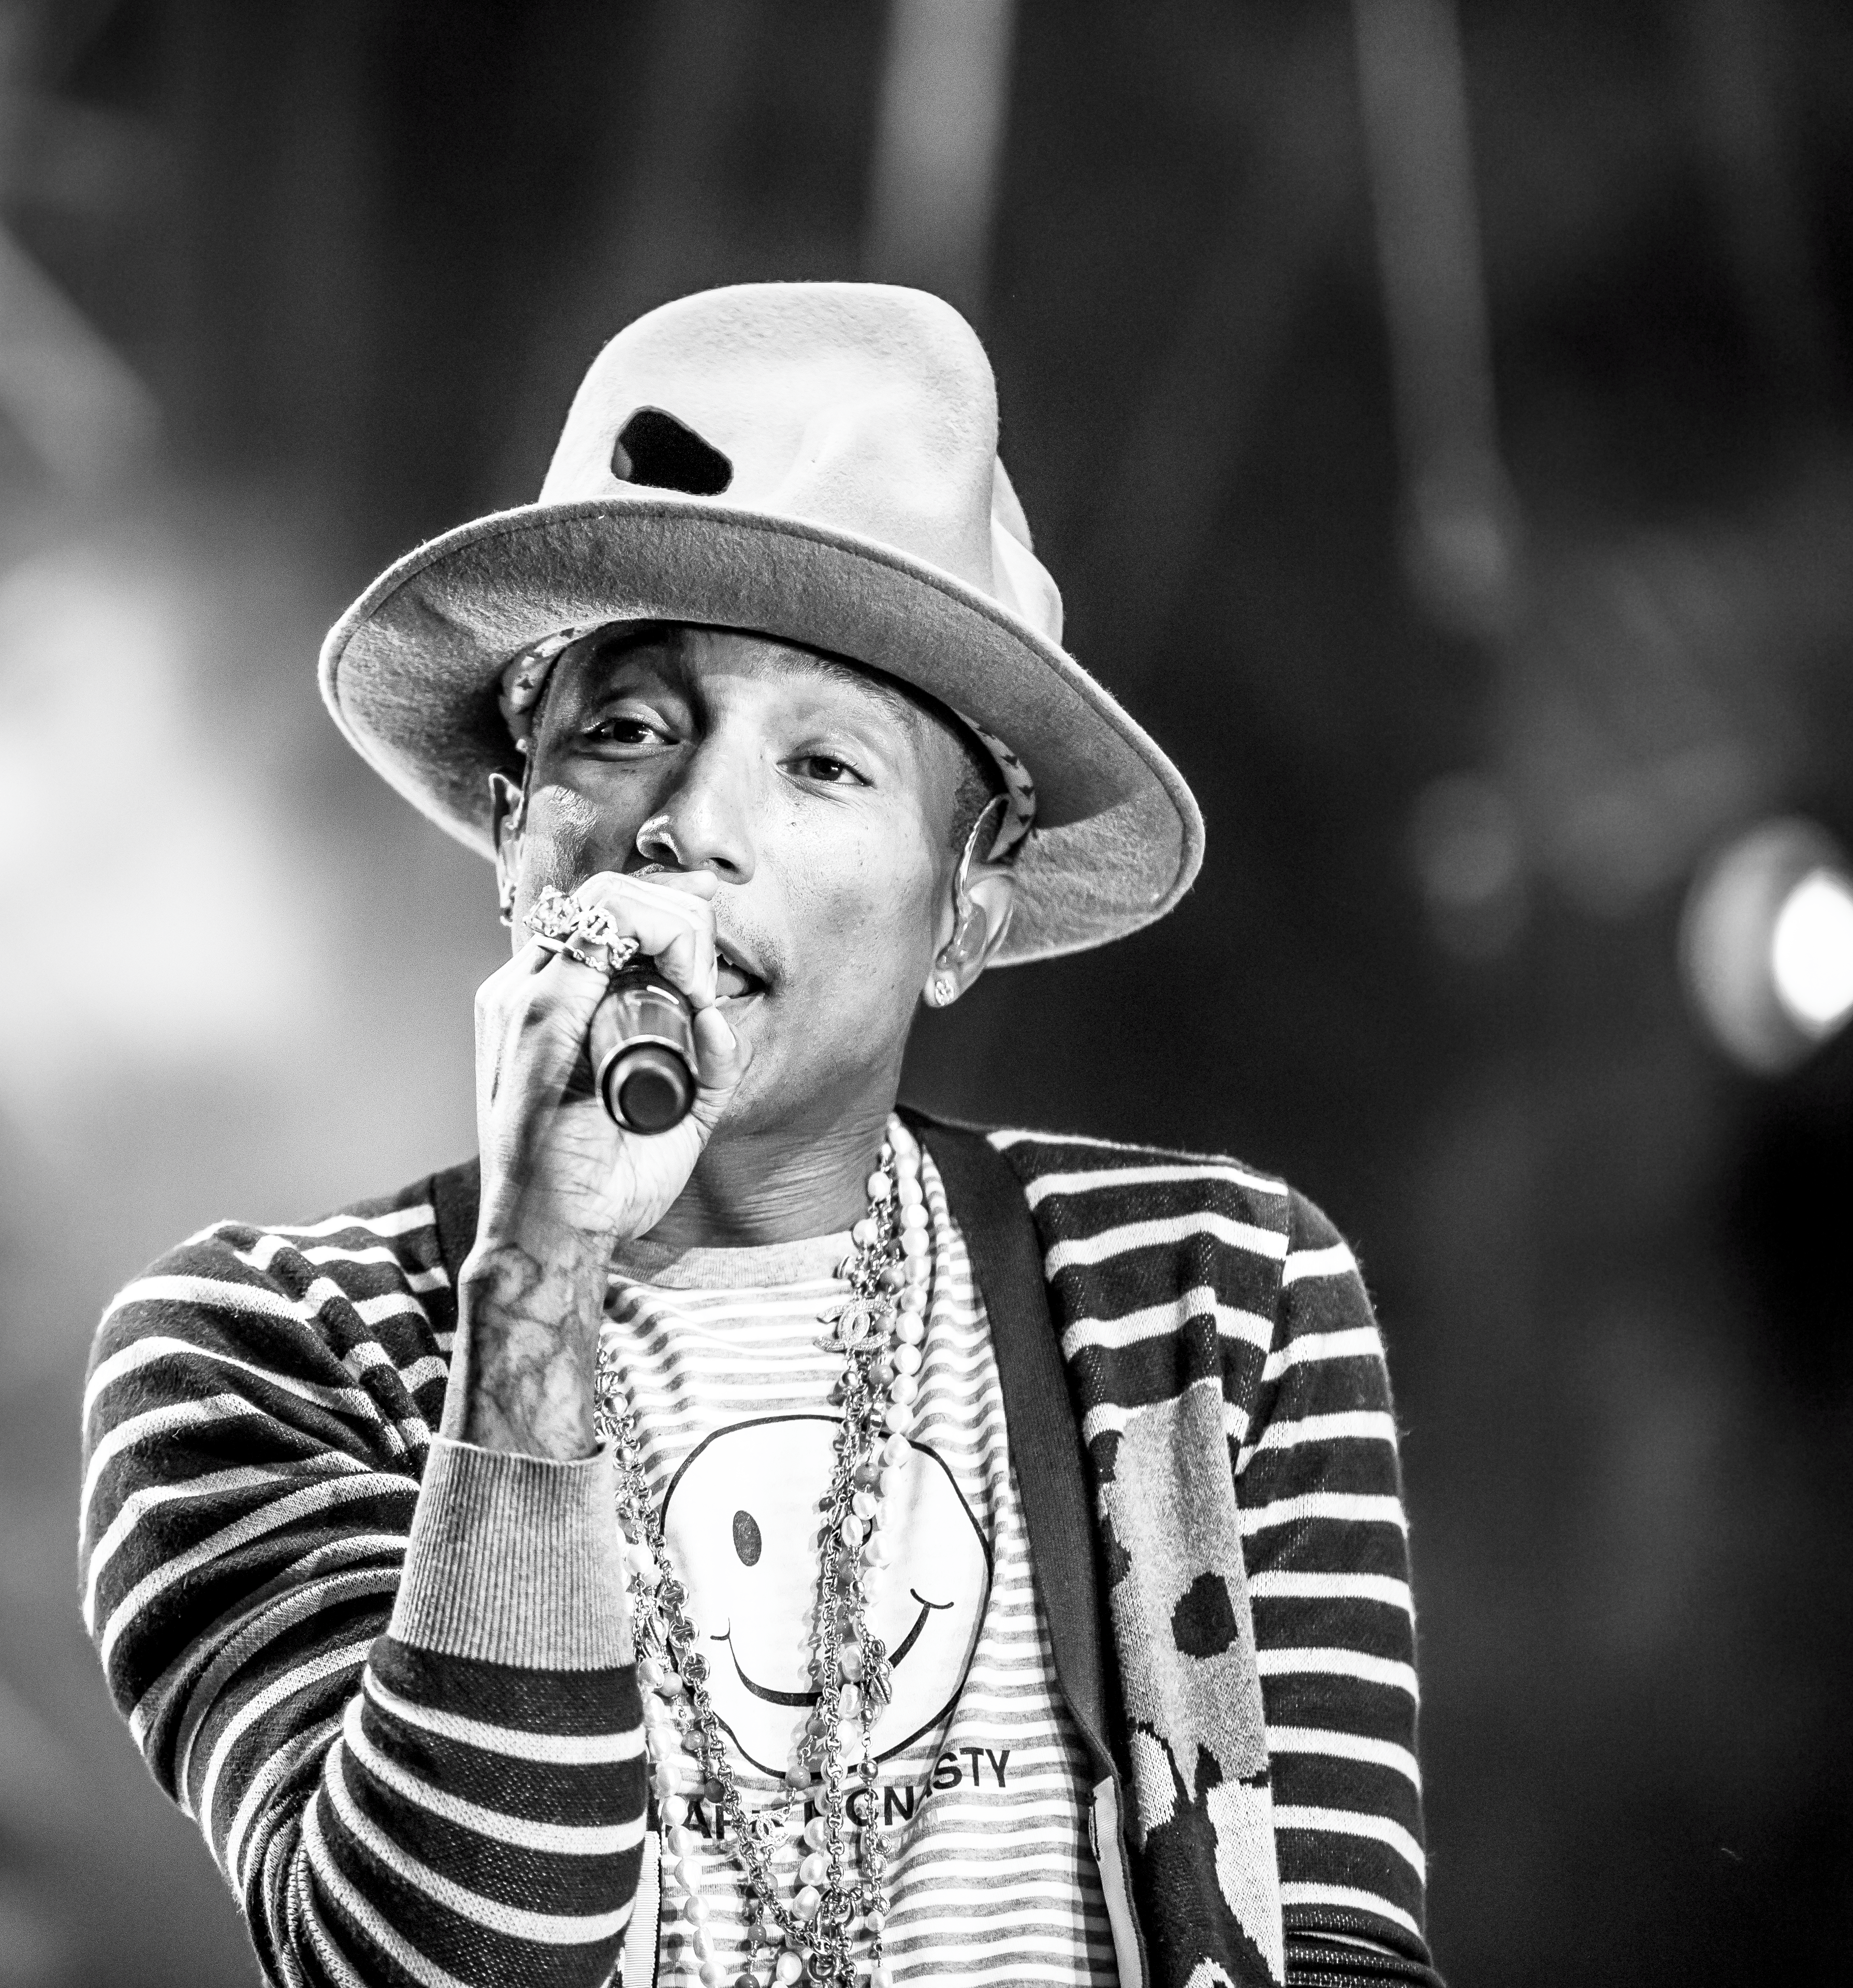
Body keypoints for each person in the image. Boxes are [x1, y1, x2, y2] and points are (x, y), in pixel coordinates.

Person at [79, 283, 1436, 1988]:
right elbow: (438, 1970)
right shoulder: (261, 1352)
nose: (693, 828)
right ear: (515, 834)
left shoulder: (1210, 1305)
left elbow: (1339, 1955)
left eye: (825, 768)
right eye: (629, 729)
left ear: (963, 916)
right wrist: (537, 1297)